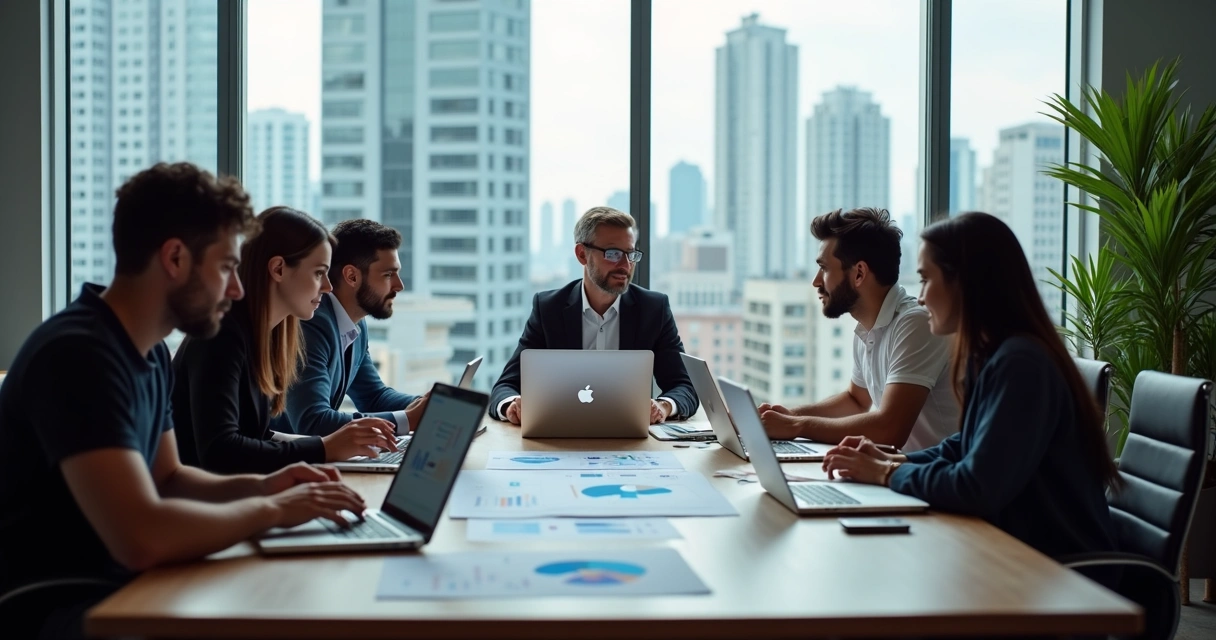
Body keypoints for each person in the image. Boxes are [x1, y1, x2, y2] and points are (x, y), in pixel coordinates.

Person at [0, 163, 366, 637]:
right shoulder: (78, 355)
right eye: (226, 267)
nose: (237, 289)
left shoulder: (147, 349)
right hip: (59, 604)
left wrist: (269, 486)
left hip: (121, 585)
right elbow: (141, 538)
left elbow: (169, 478)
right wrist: (273, 510)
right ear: (174, 258)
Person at [822, 211, 1119, 572]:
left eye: (926, 280)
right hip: (1016, 552)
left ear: (965, 283)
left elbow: (976, 487)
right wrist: (891, 461)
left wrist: (885, 474)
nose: (921, 298)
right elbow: (962, 447)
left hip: (1060, 571)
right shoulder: (995, 356)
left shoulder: (1022, 365)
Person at [172, 207, 398, 474]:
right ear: (278, 269)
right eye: (318, 273)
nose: (327, 286)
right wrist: (324, 448)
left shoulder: (268, 335)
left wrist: (332, 446)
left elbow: (259, 435)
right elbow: (220, 450)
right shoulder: (222, 335)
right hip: (196, 504)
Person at [760, 207, 958, 451]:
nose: (816, 281)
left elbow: (889, 429)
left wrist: (798, 425)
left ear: (859, 273)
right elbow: (856, 400)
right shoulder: (867, 328)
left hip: (931, 482)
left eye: (824, 268)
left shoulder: (916, 323)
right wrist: (789, 415)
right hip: (902, 474)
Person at [489, 206, 698, 425]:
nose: (626, 265)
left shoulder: (653, 309)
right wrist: (513, 405)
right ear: (582, 254)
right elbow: (505, 386)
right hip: (561, 439)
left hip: (631, 445)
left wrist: (663, 407)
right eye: (613, 254)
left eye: (631, 254)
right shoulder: (549, 308)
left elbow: (684, 387)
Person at [277, 219, 426, 437]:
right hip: (280, 462)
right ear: (352, 276)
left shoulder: (354, 323)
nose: (399, 286)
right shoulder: (311, 323)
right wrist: (408, 420)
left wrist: (424, 405)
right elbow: (312, 421)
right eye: (388, 275)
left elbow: (373, 396)